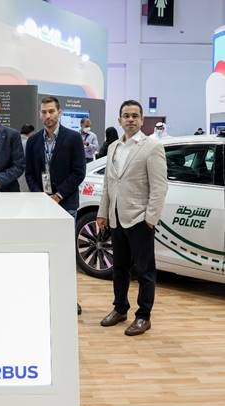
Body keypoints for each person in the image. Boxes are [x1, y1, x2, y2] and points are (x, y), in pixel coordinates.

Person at [97, 99, 168, 336]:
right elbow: (109, 183)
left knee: (145, 271)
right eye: (126, 116)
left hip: (139, 219)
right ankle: (120, 308)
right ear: (119, 120)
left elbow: (159, 187)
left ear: (141, 119)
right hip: (116, 217)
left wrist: (150, 218)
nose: (130, 119)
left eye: (135, 116)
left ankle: (143, 316)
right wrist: (103, 212)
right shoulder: (113, 147)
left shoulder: (152, 147)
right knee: (119, 268)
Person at [25, 96, 86, 315]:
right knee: (43, 251)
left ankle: (68, 298)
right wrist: (41, 196)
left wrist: (58, 195)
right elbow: (29, 173)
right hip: (42, 205)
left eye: (51, 111)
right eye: (44, 112)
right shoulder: (33, 141)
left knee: (65, 254)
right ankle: (44, 295)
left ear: (59, 113)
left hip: (66, 204)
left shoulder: (73, 138)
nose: (47, 116)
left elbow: (79, 172)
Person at [18, 124, 35, 192]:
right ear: (31, 132)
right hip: (26, 175)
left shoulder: (15, 141)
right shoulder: (29, 143)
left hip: (15, 175)